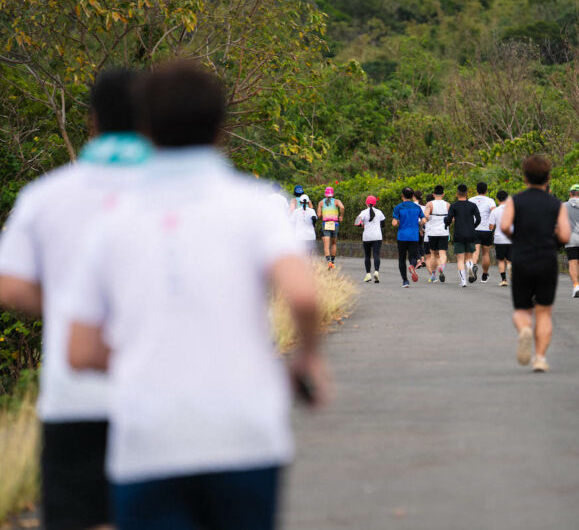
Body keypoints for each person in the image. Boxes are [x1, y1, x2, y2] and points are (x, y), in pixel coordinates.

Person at [65, 61, 327, 530]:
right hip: (244, 435)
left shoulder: (110, 219)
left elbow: (80, 351)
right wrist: (307, 360)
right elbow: (304, 297)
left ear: (145, 127)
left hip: (148, 440)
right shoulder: (255, 204)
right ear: (221, 128)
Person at [0, 68, 152, 530]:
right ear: (151, 120)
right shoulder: (182, 194)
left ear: (92, 121)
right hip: (162, 396)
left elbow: (9, 285)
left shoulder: (46, 195)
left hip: (74, 397)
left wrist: (71, 306)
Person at [500, 156, 570, 372]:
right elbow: (565, 235)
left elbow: (504, 226)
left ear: (525, 178)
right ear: (548, 178)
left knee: (522, 310)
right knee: (544, 312)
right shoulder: (556, 204)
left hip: (521, 258)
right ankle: (539, 358)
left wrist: (516, 238)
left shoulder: (515, 201)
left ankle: (524, 329)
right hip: (547, 259)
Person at [445, 184, 481, 287]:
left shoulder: (454, 206)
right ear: (466, 193)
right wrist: (473, 227)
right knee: (469, 257)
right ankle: (469, 267)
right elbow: (479, 219)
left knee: (460, 259)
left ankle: (463, 281)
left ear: (457, 194)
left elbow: (449, 219)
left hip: (459, 234)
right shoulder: (473, 205)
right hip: (470, 234)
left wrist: (446, 222)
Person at [392, 187, 425, 288]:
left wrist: (398, 222)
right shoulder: (417, 207)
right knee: (413, 257)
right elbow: (424, 220)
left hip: (402, 236)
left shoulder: (398, 207)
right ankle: (412, 266)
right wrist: (418, 225)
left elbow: (394, 223)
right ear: (412, 196)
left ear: (402, 195)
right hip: (414, 236)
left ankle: (405, 281)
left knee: (402, 259)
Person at [469, 182, 497, 283]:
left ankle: (473, 265)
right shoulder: (490, 201)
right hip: (486, 230)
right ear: (486, 190)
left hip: (474, 229)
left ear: (476, 190)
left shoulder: (470, 200)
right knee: (486, 253)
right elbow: (494, 212)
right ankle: (484, 275)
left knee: (475, 252)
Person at [355, 195, 385, 283]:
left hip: (367, 237)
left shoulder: (363, 212)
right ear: (375, 203)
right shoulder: (379, 212)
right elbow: (383, 224)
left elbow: (357, 222)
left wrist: (362, 224)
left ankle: (368, 274)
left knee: (367, 256)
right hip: (377, 236)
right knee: (376, 255)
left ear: (366, 203)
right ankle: (376, 272)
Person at [424, 185, 450, 283]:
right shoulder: (447, 204)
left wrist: (431, 218)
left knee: (433, 254)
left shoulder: (430, 204)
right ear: (443, 194)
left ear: (433, 194)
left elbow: (426, 216)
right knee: (442, 253)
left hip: (432, 232)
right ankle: (441, 266)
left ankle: (434, 275)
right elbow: (452, 218)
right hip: (444, 231)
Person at [488, 190, 512, 287]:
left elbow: (491, 227)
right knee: (510, 259)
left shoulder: (495, 211)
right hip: (511, 238)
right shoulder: (513, 210)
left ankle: (504, 280)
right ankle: (510, 266)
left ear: (497, 199)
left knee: (501, 260)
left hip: (499, 238)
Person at [318, 187, 345, 269]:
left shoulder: (321, 202)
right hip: (335, 223)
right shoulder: (337, 201)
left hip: (326, 223)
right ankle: (333, 262)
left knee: (326, 244)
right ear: (332, 194)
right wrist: (341, 216)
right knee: (333, 243)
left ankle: (328, 261)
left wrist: (322, 213)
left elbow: (319, 215)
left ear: (325, 194)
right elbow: (342, 207)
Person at [414, 190, 428, 270]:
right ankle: (422, 259)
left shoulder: (412, 205)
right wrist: (422, 227)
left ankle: (418, 260)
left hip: (415, 226)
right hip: (423, 226)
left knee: (415, 244)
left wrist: (419, 228)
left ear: (413, 196)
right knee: (421, 243)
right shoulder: (424, 207)